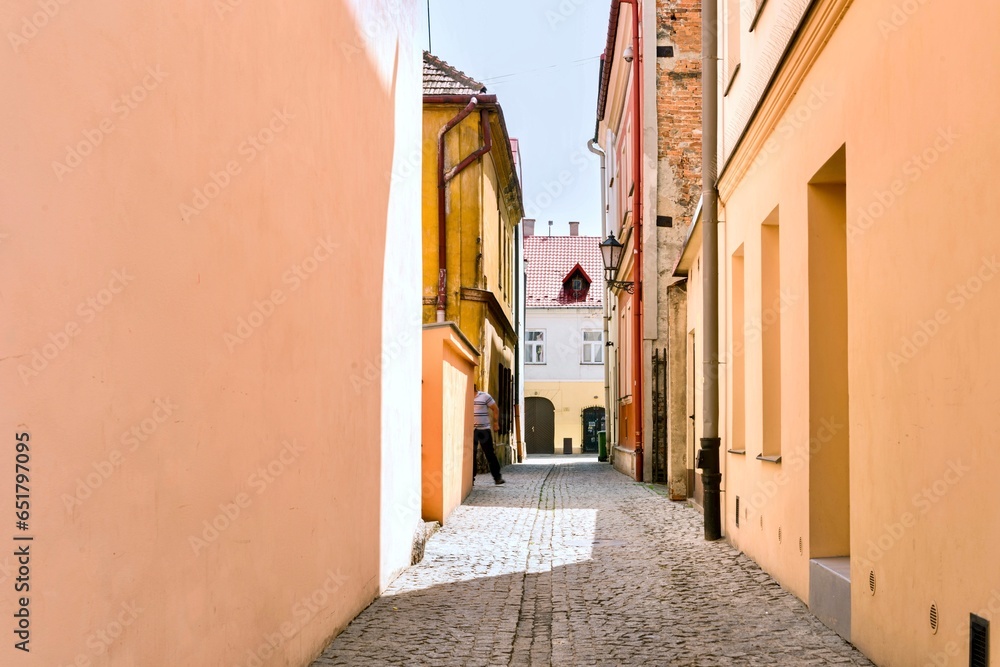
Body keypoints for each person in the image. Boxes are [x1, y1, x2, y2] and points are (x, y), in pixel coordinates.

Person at [473, 385, 505, 485]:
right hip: (470, 430)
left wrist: (495, 423)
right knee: (471, 454)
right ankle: (470, 479)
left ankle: (497, 477)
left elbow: (495, 409)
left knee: (489, 454)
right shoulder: (464, 396)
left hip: (484, 430)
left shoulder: (485, 396)